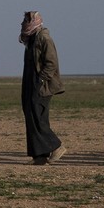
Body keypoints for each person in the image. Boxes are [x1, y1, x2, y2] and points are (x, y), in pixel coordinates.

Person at [19, 11, 65, 165]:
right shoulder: (31, 39)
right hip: (30, 83)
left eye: (26, 21)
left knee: (38, 118)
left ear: (34, 22)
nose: (22, 24)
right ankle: (39, 156)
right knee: (31, 117)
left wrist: (41, 80)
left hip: (41, 85)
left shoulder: (44, 38)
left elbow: (51, 63)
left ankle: (56, 146)